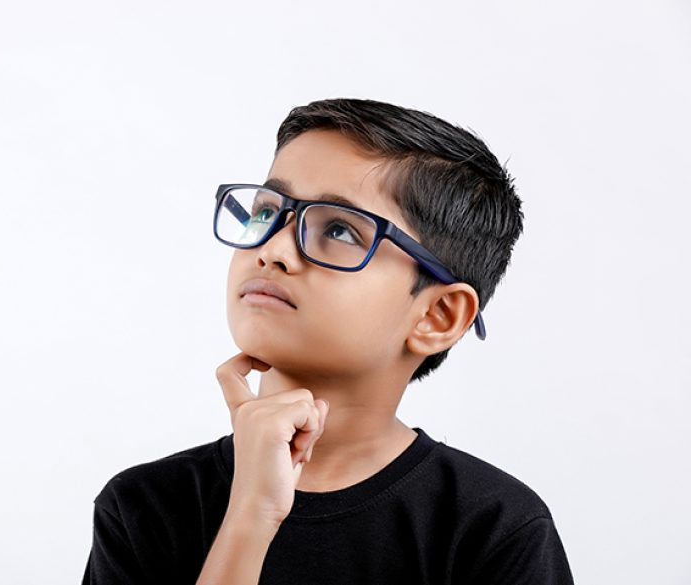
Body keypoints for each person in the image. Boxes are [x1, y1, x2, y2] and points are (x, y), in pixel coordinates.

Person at [82, 98, 574, 584]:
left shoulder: (495, 530)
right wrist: (250, 517)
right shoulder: (144, 507)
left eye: (338, 229)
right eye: (266, 212)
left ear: (438, 315)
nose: (272, 249)